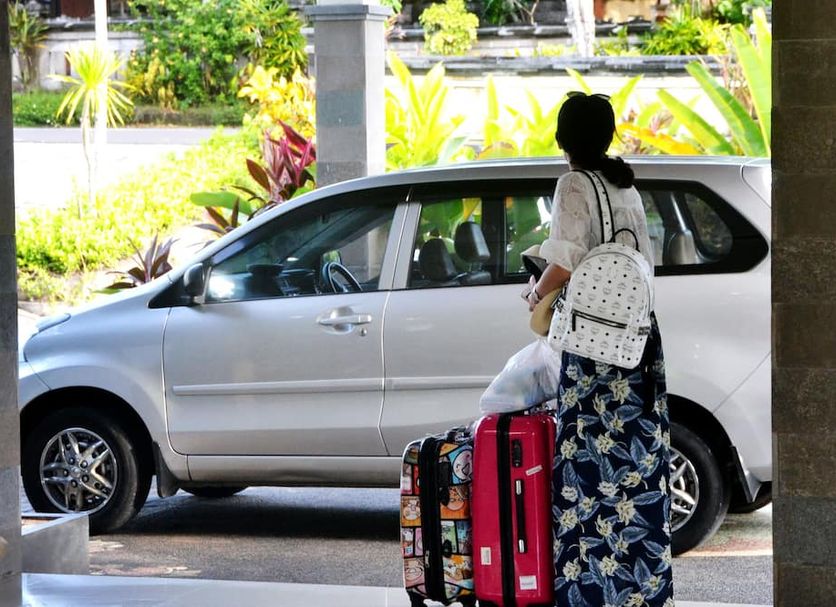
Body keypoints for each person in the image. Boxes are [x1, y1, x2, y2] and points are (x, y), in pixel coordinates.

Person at [524, 92, 674, 606]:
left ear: (562, 139)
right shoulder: (624, 184)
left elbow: (565, 261)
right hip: (637, 341)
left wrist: (536, 293)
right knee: (637, 464)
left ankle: (590, 590)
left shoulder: (573, 184)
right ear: (606, 135)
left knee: (588, 469)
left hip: (594, 347)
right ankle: (641, 590)